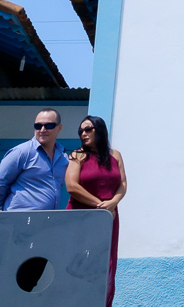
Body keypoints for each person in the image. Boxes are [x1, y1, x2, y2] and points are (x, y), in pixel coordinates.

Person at [65, 116, 127, 307]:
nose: (83, 134)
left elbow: (123, 184)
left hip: (108, 218)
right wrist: (101, 205)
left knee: (106, 263)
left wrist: (113, 202)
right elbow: (71, 186)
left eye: (88, 129)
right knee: (80, 263)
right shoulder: (77, 156)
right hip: (81, 217)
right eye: (81, 131)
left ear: (100, 130)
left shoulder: (115, 155)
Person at [0, 108, 68, 211]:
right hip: (19, 217)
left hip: (49, 219)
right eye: (38, 126)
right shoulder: (21, 152)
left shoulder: (63, 158)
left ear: (59, 128)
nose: (42, 130)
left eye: (49, 125)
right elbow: (1, 181)